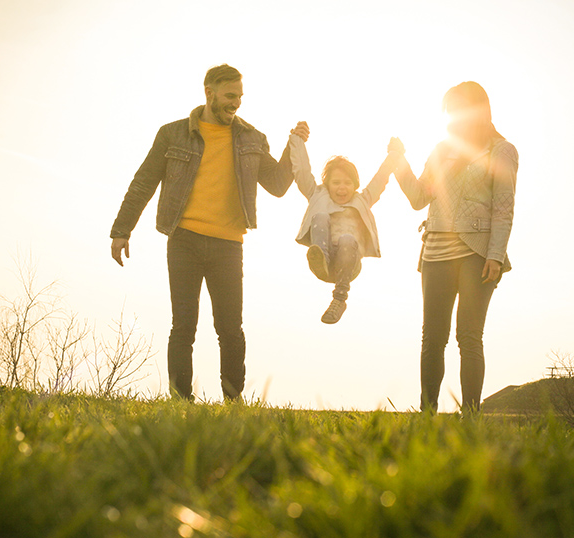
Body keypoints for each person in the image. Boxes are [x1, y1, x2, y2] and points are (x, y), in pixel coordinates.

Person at [109, 64, 310, 401]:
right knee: (183, 326)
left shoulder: (251, 138)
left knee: (231, 329)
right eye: (230, 96)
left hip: (229, 245)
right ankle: (180, 402)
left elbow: (277, 185)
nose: (237, 103)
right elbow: (143, 182)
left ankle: (233, 401)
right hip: (184, 240)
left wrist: (294, 146)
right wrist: (121, 229)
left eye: (240, 97)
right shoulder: (172, 134)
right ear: (209, 93)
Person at [392, 81, 519, 412]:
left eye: (459, 109)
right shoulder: (441, 150)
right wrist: (399, 162)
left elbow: (503, 208)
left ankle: (470, 417)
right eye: (449, 111)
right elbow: (419, 197)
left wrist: (495, 255)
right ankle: (427, 414)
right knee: (432, 339)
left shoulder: (501, 151)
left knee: (469, 337)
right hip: (435, 250)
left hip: (477, 253)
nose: (453, 116)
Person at [288, 134, 400, 323]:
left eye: (347, 183)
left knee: (347, 239)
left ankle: (339, 299)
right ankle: (321, 257)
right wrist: (297, 140)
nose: (342, 188)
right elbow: (302, 172)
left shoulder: (362, 200)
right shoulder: (317, 195)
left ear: (355, 185)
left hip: (349, 262)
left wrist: (394, 154)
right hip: (324, 259)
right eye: (336, 183)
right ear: (327, 184)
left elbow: (381, 178)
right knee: (321, 217)